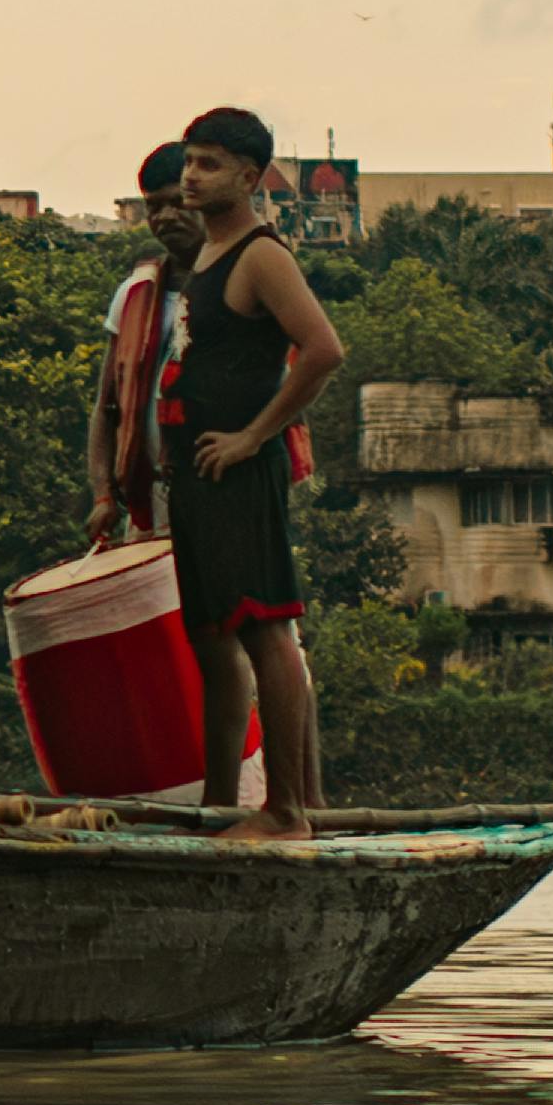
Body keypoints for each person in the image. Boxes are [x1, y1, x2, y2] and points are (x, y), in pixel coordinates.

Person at [157, 106, 349, 838]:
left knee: (266, 629)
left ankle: (288, 810)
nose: (192, 176)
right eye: (189, 161)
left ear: (250, 174)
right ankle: (220, 802)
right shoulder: (203, 257)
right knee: (213, 638)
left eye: (208, 163)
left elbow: (324, 351)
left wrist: (250, 437)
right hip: (197, 475)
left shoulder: (261, 254)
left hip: (241, 473)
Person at [89, 137, 197, 544]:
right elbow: (106, 407)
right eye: (154, 207)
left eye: (177, 203)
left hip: (220, 501)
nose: (166, 217)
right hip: (149, 505)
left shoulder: (238, 288)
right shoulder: (135, 293)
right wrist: (102, 495)